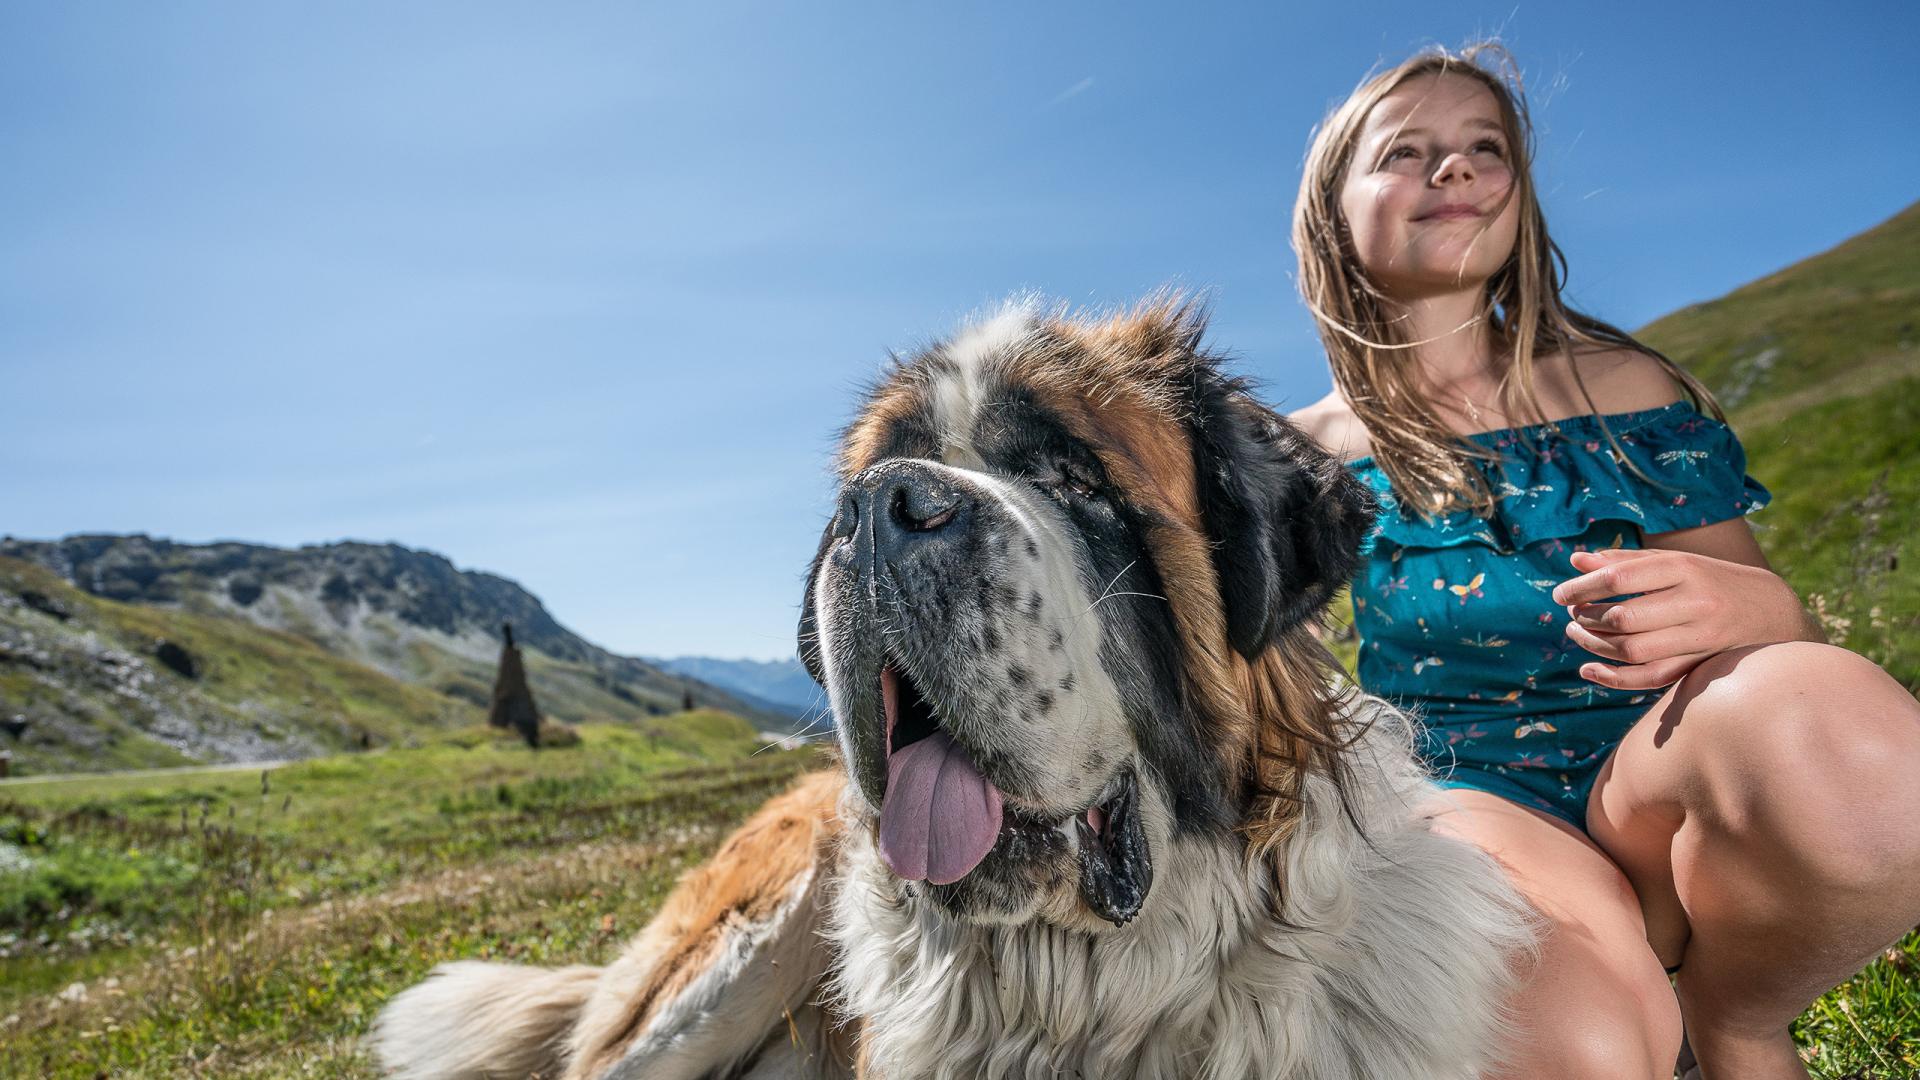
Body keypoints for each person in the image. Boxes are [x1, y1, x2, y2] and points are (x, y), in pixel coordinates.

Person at [1284, 43, 1920, 1080]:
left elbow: (1781, 629)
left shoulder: (1619, 385)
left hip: (1664, 772)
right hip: (1470, 791)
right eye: (1409, 150)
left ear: (1519, 198)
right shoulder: (1297, 455)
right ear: (1332, 208)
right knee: (1578, 1048)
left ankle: (1738, 1018)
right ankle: (1630, 1003)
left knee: (1868, 758)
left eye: (1484, 148)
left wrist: (1741, 603)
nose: (1454, 169)